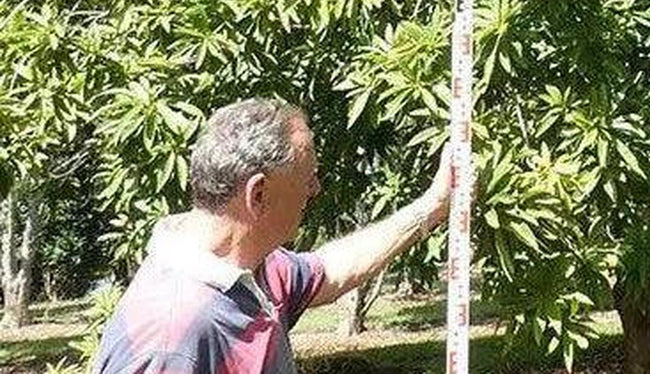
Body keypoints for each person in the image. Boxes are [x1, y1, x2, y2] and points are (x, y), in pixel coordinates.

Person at [93, 98, 451, 374]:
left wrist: (434, 205)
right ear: (258, 194)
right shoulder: (171, 340)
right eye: (307, 178)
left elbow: (334, 270)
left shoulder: (251, 269)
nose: (315, 189)